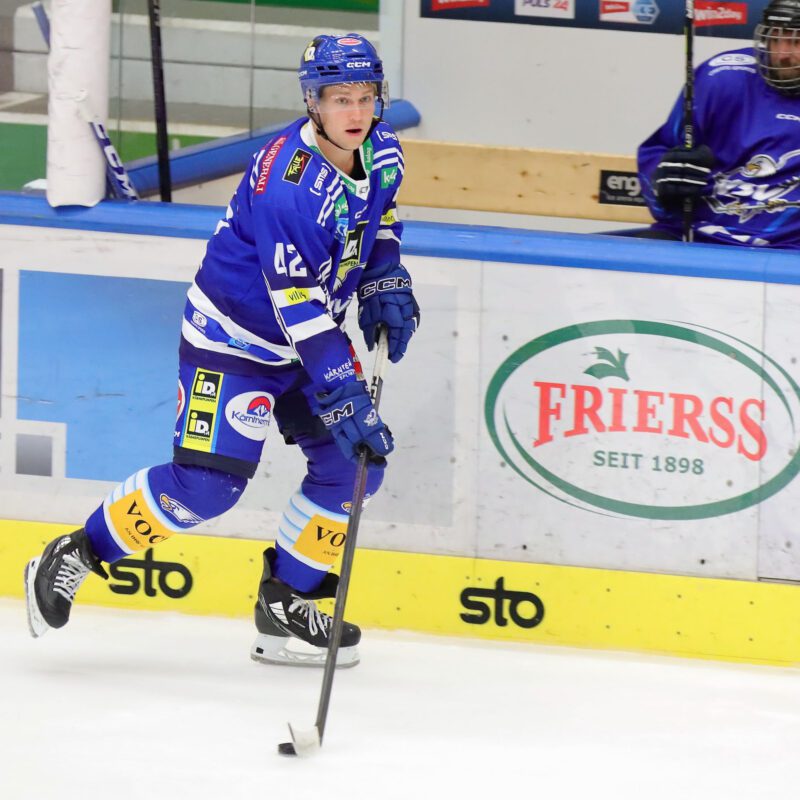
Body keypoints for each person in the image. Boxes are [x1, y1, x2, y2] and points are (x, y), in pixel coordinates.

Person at [23, 33, 419, 669]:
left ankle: (287, 599)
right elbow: (295, 302)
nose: (355, 111)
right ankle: (79, 551)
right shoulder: (290, 185)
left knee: (354, 469)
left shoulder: (383, 147)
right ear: (313, 102)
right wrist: (343, 389)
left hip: (307, 338)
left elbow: (381, 215)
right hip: (233, 342)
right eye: (340, 98)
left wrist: (383, 273)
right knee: (206, 488)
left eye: (365, 97)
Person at [637, 0, 800, 248]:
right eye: (776, 38)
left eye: (796, 42)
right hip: (696, 238)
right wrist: (665, 181)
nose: (782, 55)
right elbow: (662, 152)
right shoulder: (721, 77)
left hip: (788, 252)